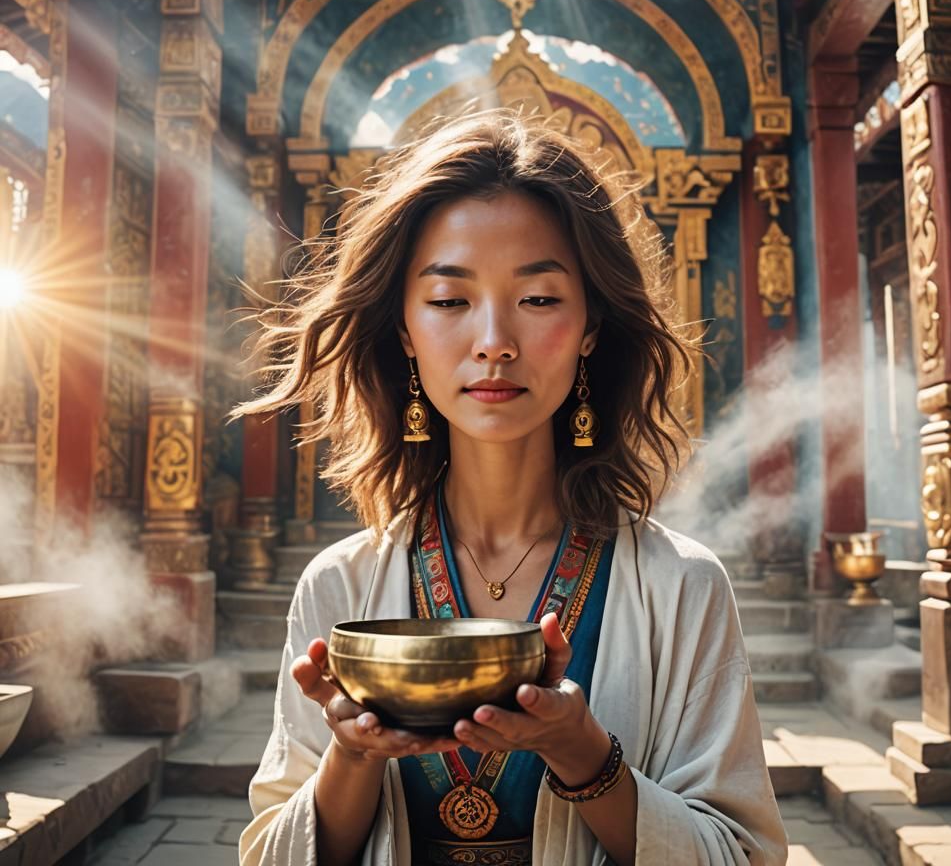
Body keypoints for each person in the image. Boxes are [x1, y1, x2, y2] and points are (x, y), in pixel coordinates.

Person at [235, 111, 788, 866]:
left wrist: (586, 757)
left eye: (537, 299)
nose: (494, 339)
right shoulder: (342, 587)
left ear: (591, 324)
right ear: (403, 329)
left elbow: (743, 854)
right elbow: (271, 853)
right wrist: (354, 756)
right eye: (450, 300)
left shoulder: (680, 587)